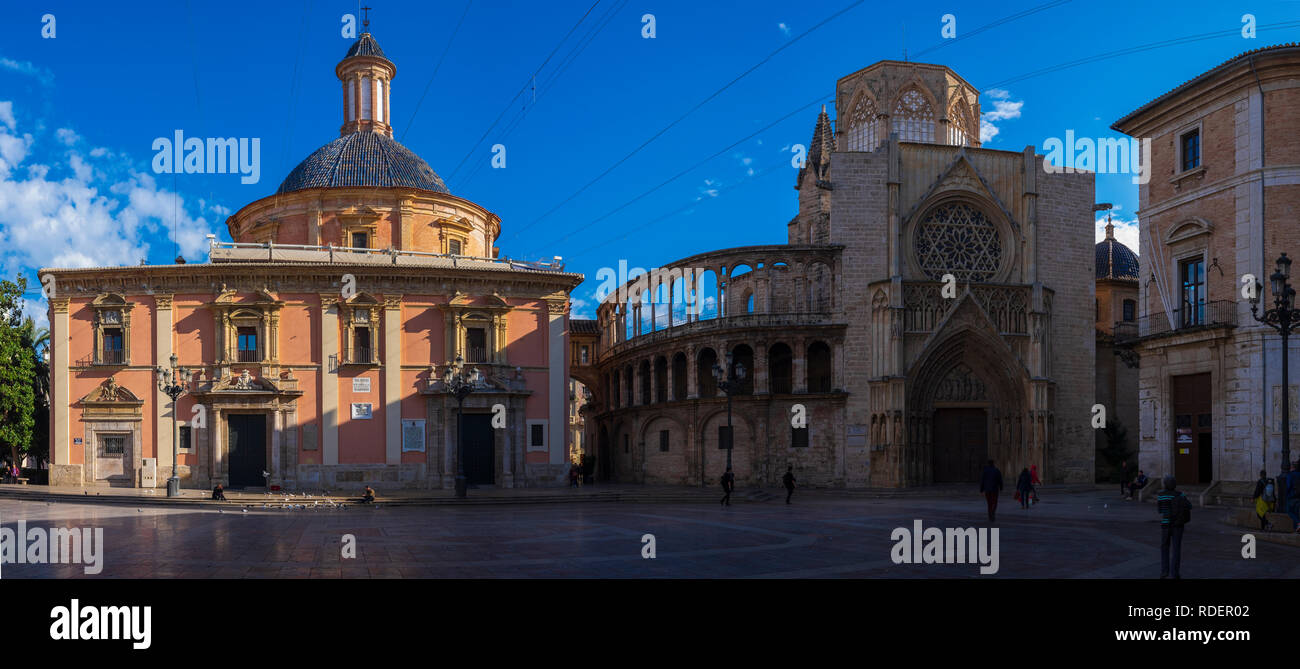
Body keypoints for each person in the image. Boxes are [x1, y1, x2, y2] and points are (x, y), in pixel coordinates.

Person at [1156, 475, 1190, 578]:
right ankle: (1175, 573)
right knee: (1176, 549)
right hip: (1177, 525)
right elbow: (1189, 506)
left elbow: (1160, 510)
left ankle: (1164, 571)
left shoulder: (1160, 495)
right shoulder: (1180, 494)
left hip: (1165, 524)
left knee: (1164, 548)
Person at [1286, 461, 1300, 533]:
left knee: (1289, 511)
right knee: (1296, 513)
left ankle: (1298, 523)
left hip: (1292, 496)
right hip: (1299, 497)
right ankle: (1296, 529)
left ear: (1292, 467)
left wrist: (1286, 495)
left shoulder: (1290, 475)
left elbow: (1288, 486)